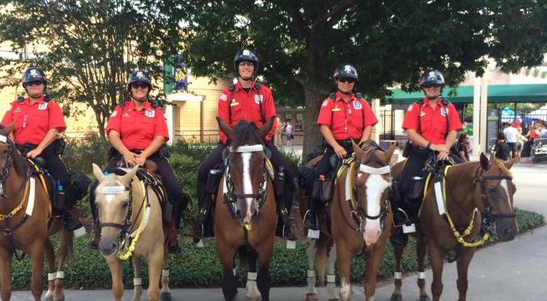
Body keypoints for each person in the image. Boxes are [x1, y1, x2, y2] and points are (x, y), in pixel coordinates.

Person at [193, 48, 296, 241]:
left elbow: (271, 120)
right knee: (204, 171)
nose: (246, 67)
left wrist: (261, 141)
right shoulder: (227, 94)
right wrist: (232, 142)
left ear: (254, 68)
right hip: (232, 145)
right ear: (237, 68)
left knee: (288, 175)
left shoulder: (265, 92)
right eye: (242, 64)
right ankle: (205, 221)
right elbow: (222, 121)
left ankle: (283, 223)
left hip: (259, 145)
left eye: (249, 64)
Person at [97, 70, 187, 254]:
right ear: (130, 89)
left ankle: (172, 231)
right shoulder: (120, 109)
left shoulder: (156, 110)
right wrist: (126, 153)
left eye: (143, 85)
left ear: (148, 89)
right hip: (123, 155)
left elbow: (161, 137)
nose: (139, 88)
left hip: (152, 156)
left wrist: (144, 155)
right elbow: (113, 133)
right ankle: (98, 232)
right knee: (96, 188)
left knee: (176, 191)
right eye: (136, 85)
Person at [1, 67, 83, 233]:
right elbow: (6, 129)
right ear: (25, 86)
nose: (34, 85)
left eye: (38, 82)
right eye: (31, 83)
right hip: (18, 152)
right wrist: (14, 149)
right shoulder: (15, 106)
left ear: (44, 84)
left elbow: (54, 130)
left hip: (45, 151)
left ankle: (66, 215)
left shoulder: (50, 106)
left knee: (63, 179)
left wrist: (39, 149)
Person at [392, 69, 463, 247]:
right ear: (423, 87)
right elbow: (410, 132)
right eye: (428, 85)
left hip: (444, 152)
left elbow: (453, 131)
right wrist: (432, 145)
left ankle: (476, 221)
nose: (432, 88)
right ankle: (402, 226)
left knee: (470, 177)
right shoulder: (415, 107)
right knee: (403, 184)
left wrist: (445, 148)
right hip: (420, 153)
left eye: (435, 85)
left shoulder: (449, 108)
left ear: (441, 87)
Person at [303, 64, 378, 230]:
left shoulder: (362, 102)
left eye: (350, 80)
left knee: (382, 172)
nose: (346, 83)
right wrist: (336, 147)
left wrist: (363, 144)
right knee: (318, 175)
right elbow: (324, 126)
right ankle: (313, 213)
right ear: (336, 81)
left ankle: (389, 214)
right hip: (335, 146)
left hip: (359, 146)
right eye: (343, 79)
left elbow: (369, 125)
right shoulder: (329, 102)